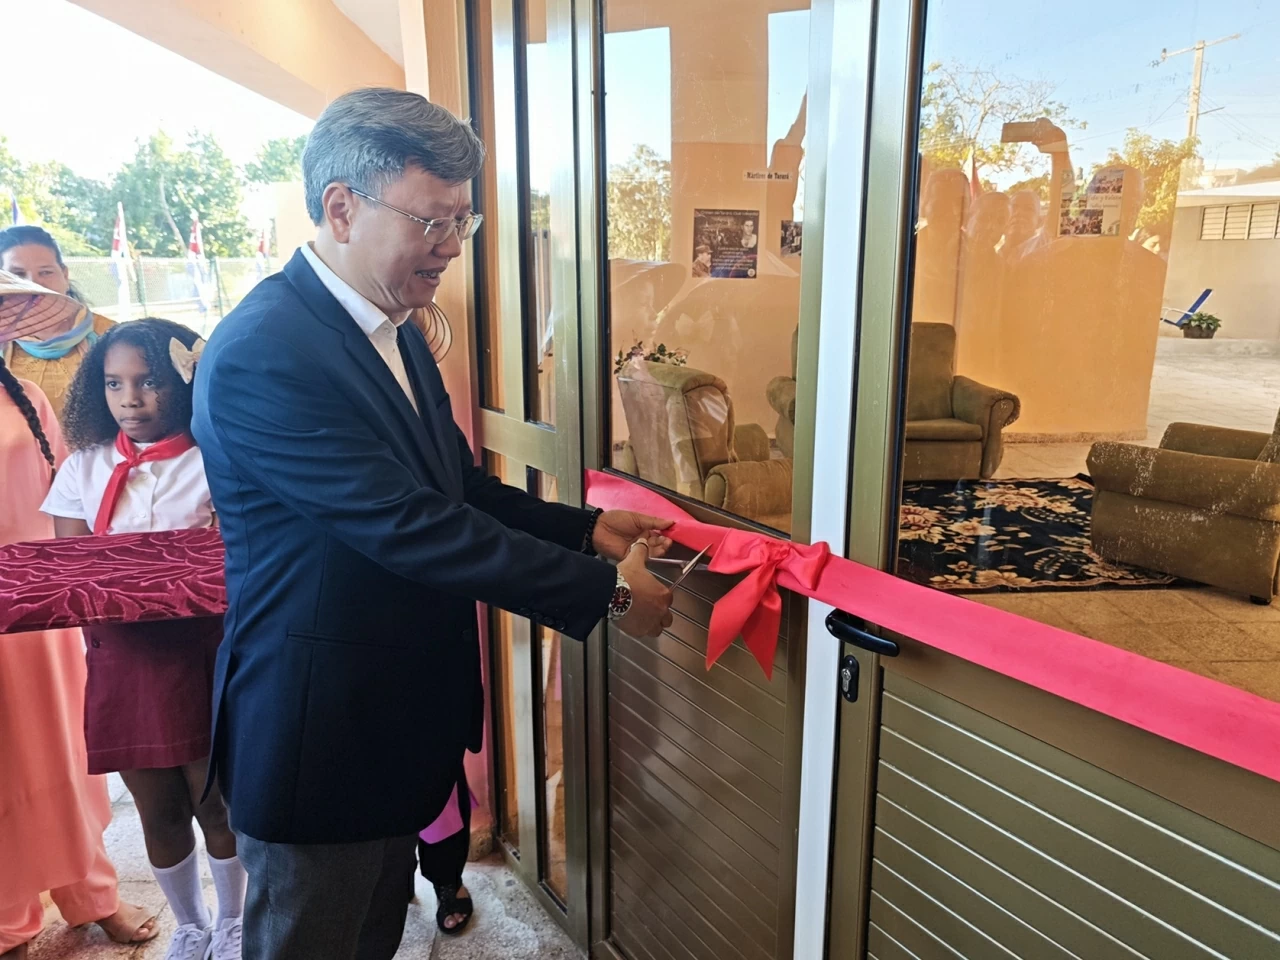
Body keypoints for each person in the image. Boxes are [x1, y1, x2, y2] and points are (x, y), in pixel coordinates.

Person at [191, 87, 675, 960]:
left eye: (466, 220)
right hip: (319, 731)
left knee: (372, 938)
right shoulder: (263, 351)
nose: (452, 246)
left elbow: (454, 486)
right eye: (433, 220)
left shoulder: (397, 324)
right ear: (342, 207)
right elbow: (408, 526)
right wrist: (605, 594)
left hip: (394, 716)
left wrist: (583, 530)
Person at [42, 318, 245, 960]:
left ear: (185, 383)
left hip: (204, 653)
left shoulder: (218, 460)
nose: (130, 399)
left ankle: (234, 921)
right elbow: (75, 573)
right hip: (121, 660)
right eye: (113, 383)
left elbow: (236, 563)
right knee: (157, 808)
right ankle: (190, 924)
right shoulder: (84, 467)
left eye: (149, 381)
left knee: (217, 802)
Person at [0, 275, 158, 960]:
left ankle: (93, 896)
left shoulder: (26, 395)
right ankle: (8, 916)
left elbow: (71, 491)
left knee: (67, 756)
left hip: (43, 610)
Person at [0, 226, 115, 418]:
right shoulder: (3, 340)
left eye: (45, 272)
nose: (33, 284)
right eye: (17, 275)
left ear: (65, 274)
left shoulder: (111, 335)